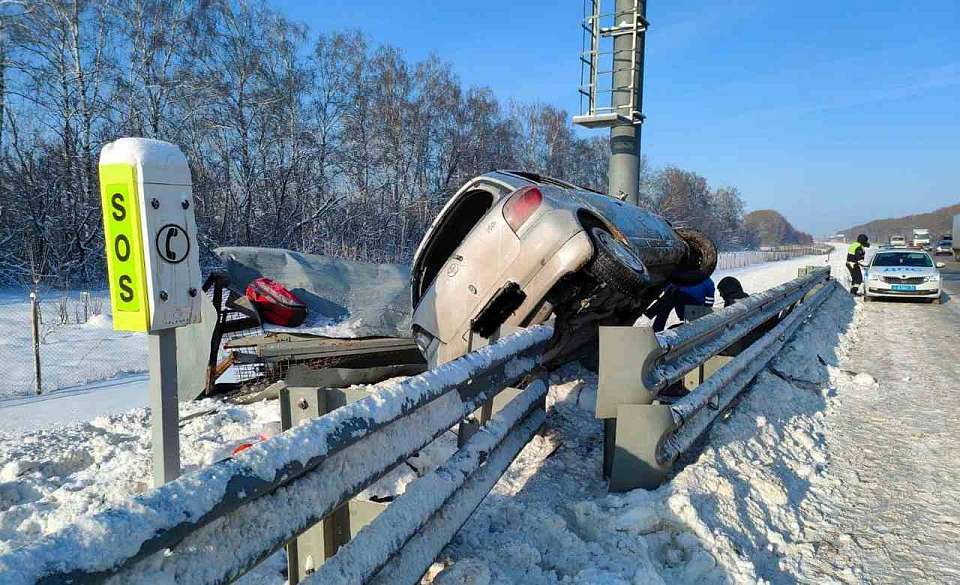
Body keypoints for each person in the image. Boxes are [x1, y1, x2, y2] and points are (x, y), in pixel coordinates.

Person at [647, 276, 716, 332]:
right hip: (695, 311)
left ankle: (656, 330)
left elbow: (667, 290)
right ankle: (657, 329)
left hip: (683, 308)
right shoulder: (708, 281)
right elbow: (710, 301)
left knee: (670, 298)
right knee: (673, 296)